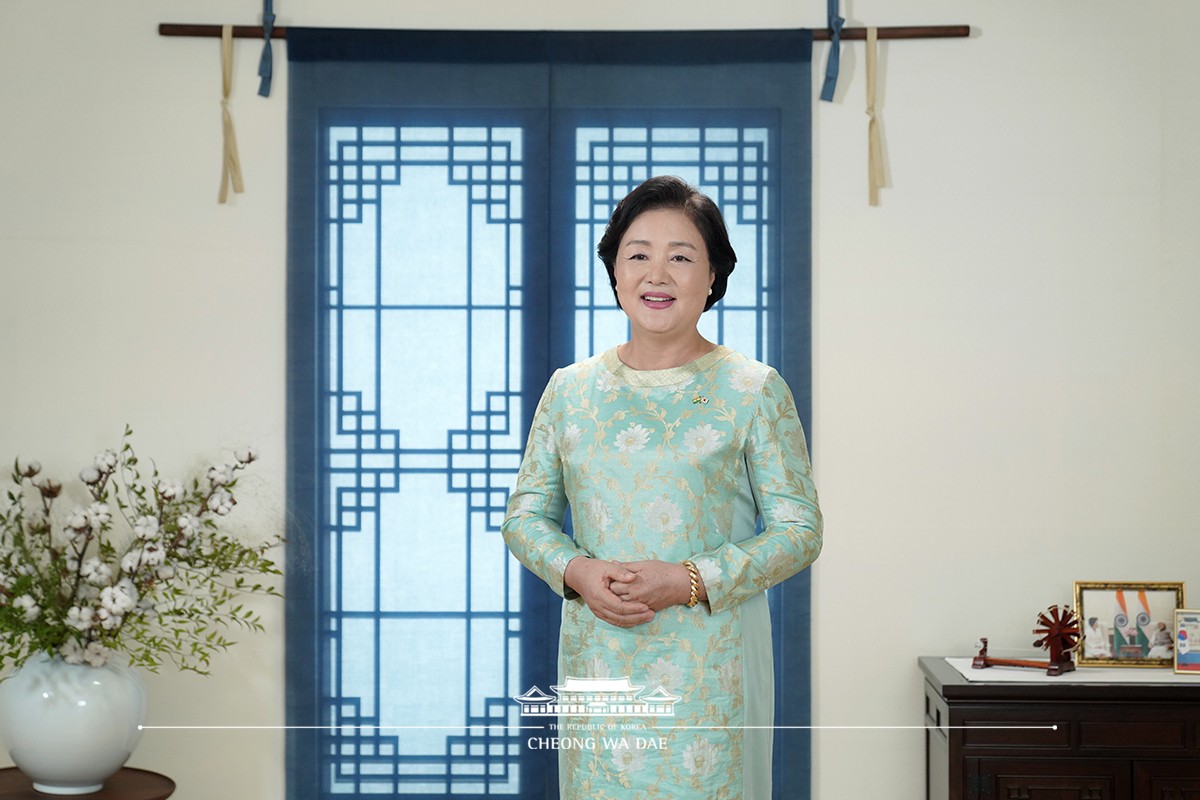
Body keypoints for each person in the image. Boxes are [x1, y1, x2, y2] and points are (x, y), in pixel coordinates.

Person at [502, 175, 823, 799]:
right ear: (615, 272)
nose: (658, 274)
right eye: (638, 254)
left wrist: (689, 579)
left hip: (713, 664)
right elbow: (524, 517)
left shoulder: (753, 389)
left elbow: (800, 530)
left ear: (712, 277)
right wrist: (577, 571)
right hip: (603, 657)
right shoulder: (570, 391)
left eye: (681, 257)